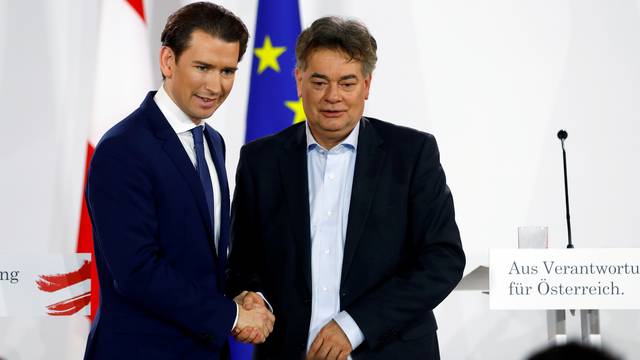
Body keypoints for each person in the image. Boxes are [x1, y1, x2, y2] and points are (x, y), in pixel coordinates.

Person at [227, 16, 465, 360]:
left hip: (391, 351)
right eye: (319, 81)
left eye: (347, 83)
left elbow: (442, 260)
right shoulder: (260, 160)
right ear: (298, 80)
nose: (332, 97)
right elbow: (243, 264)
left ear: (367, 85)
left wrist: (354, 326)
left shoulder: (411, 154)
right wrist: (253, 298)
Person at [83, 3, 273, 359]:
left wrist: (246, 294)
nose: (215, 85)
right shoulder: (123, 148)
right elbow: (137, 271)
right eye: (202, 67)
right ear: (168, 61)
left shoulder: (213, 141)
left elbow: (203, 254)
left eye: (227, 70)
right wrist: (231, 316)